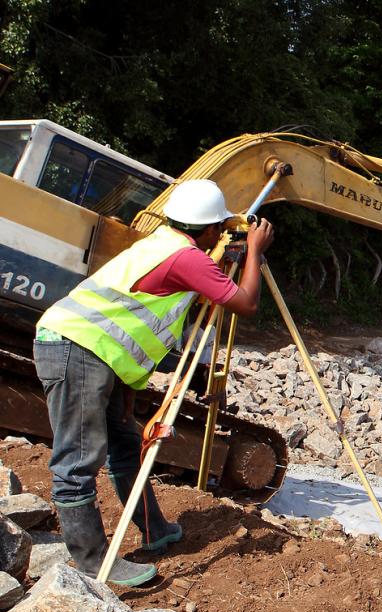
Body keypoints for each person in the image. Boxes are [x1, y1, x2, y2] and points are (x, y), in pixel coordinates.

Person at [34, 179, 273, 586]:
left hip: (95, 354)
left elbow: (132, 324)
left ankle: (155, 530)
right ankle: (94, 564)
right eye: (219, 227)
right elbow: (245, 303)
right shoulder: (185, 258)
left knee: (126, 444)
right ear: (211, 229)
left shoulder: (163, 244)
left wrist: (126, 391)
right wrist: (254, 251)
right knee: (77, 462)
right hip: (77, 348)